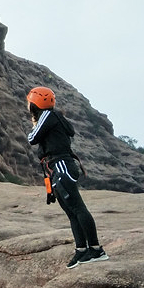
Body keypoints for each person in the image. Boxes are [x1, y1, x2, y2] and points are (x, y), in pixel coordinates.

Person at [27, 86, 109, 268]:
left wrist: (34, 124)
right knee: (71, 212)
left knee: (78, 208)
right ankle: (81, 250)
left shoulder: (48, 116)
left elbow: (32, 138)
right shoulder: (54, 117)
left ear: (35, 103)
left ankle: (96, 249)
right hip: (56, 167)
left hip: (61, 165)